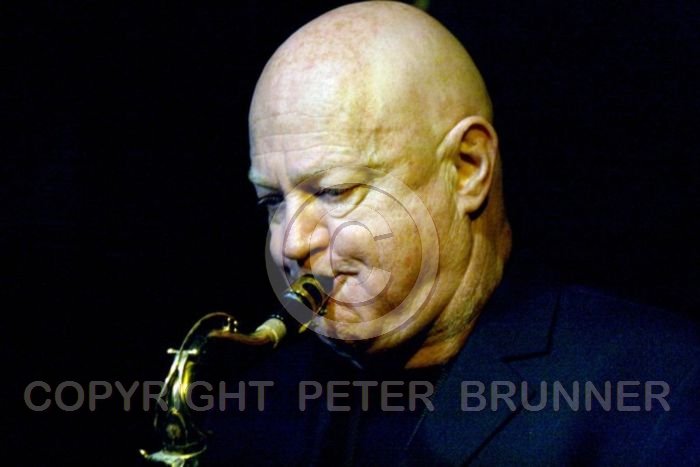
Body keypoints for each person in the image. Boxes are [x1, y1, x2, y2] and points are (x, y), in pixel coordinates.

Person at [202, 2, 699, 464]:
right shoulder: (252, 412)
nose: (289, 245)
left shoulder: (662, 388)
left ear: (468, 168)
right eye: (272, 202)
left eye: (334, 191)